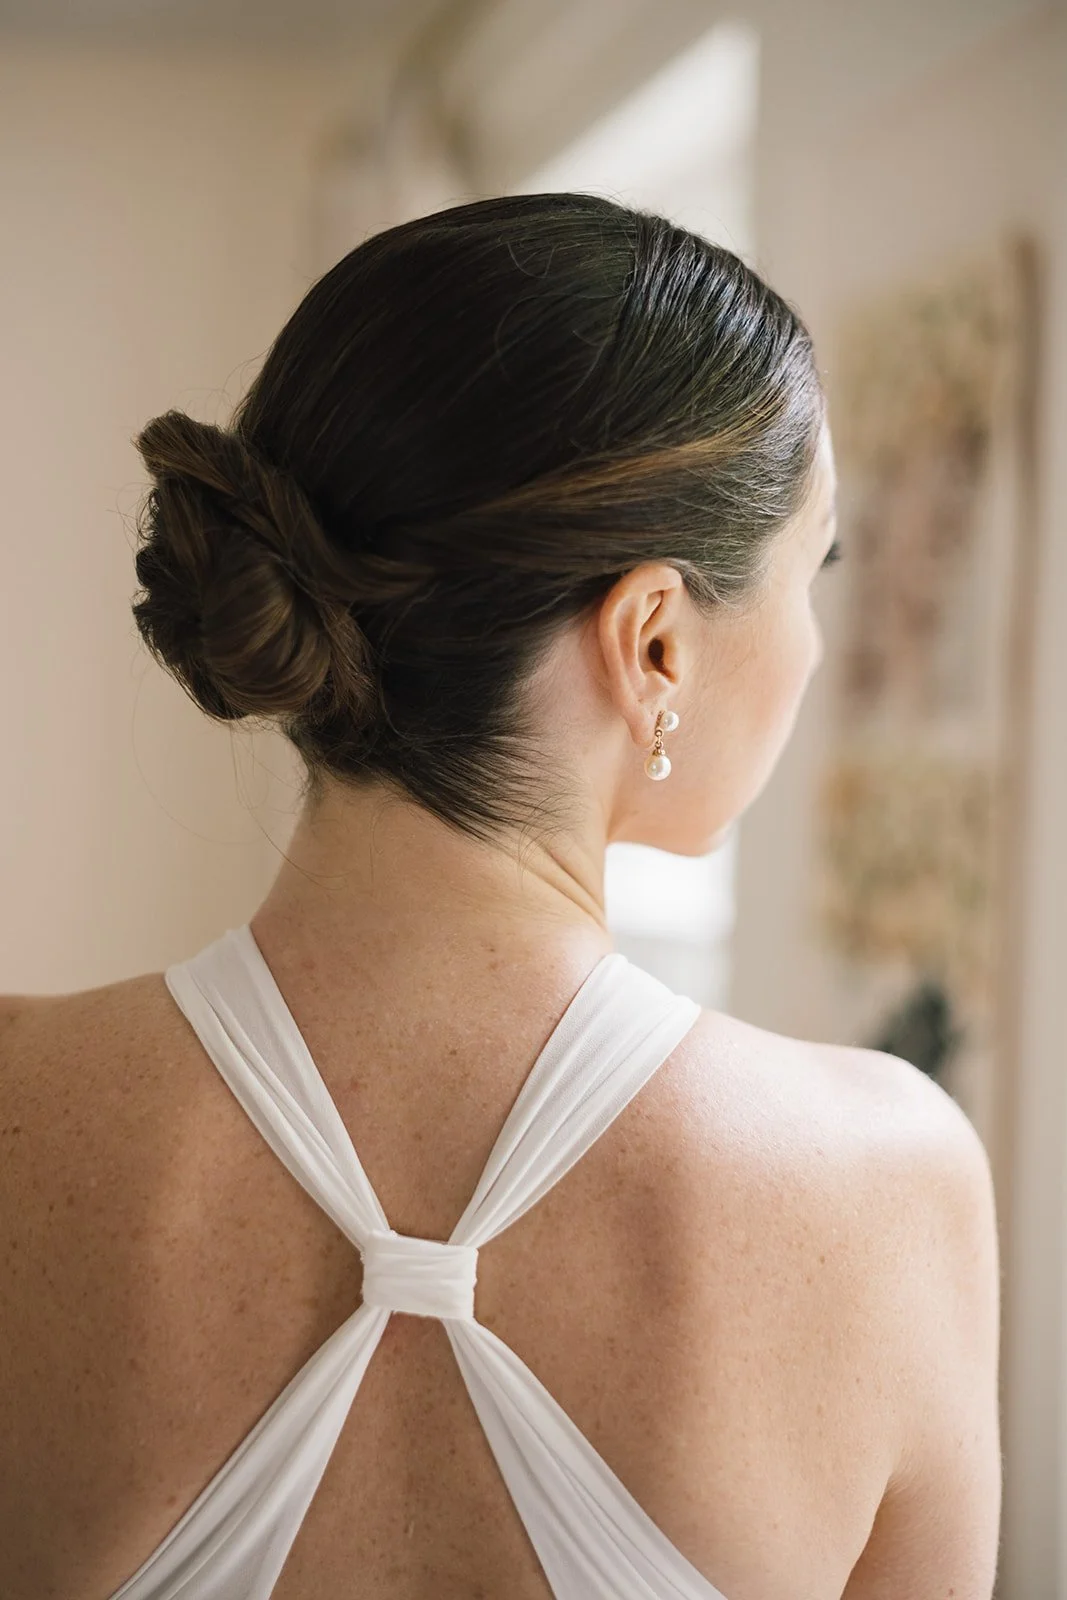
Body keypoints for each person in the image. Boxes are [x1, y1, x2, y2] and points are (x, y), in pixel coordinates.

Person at [0, 193, 1000, 1600]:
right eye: (810, 569)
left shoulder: (20, 1111)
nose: (816, 645)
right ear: (652, 639)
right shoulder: (887, 1186)